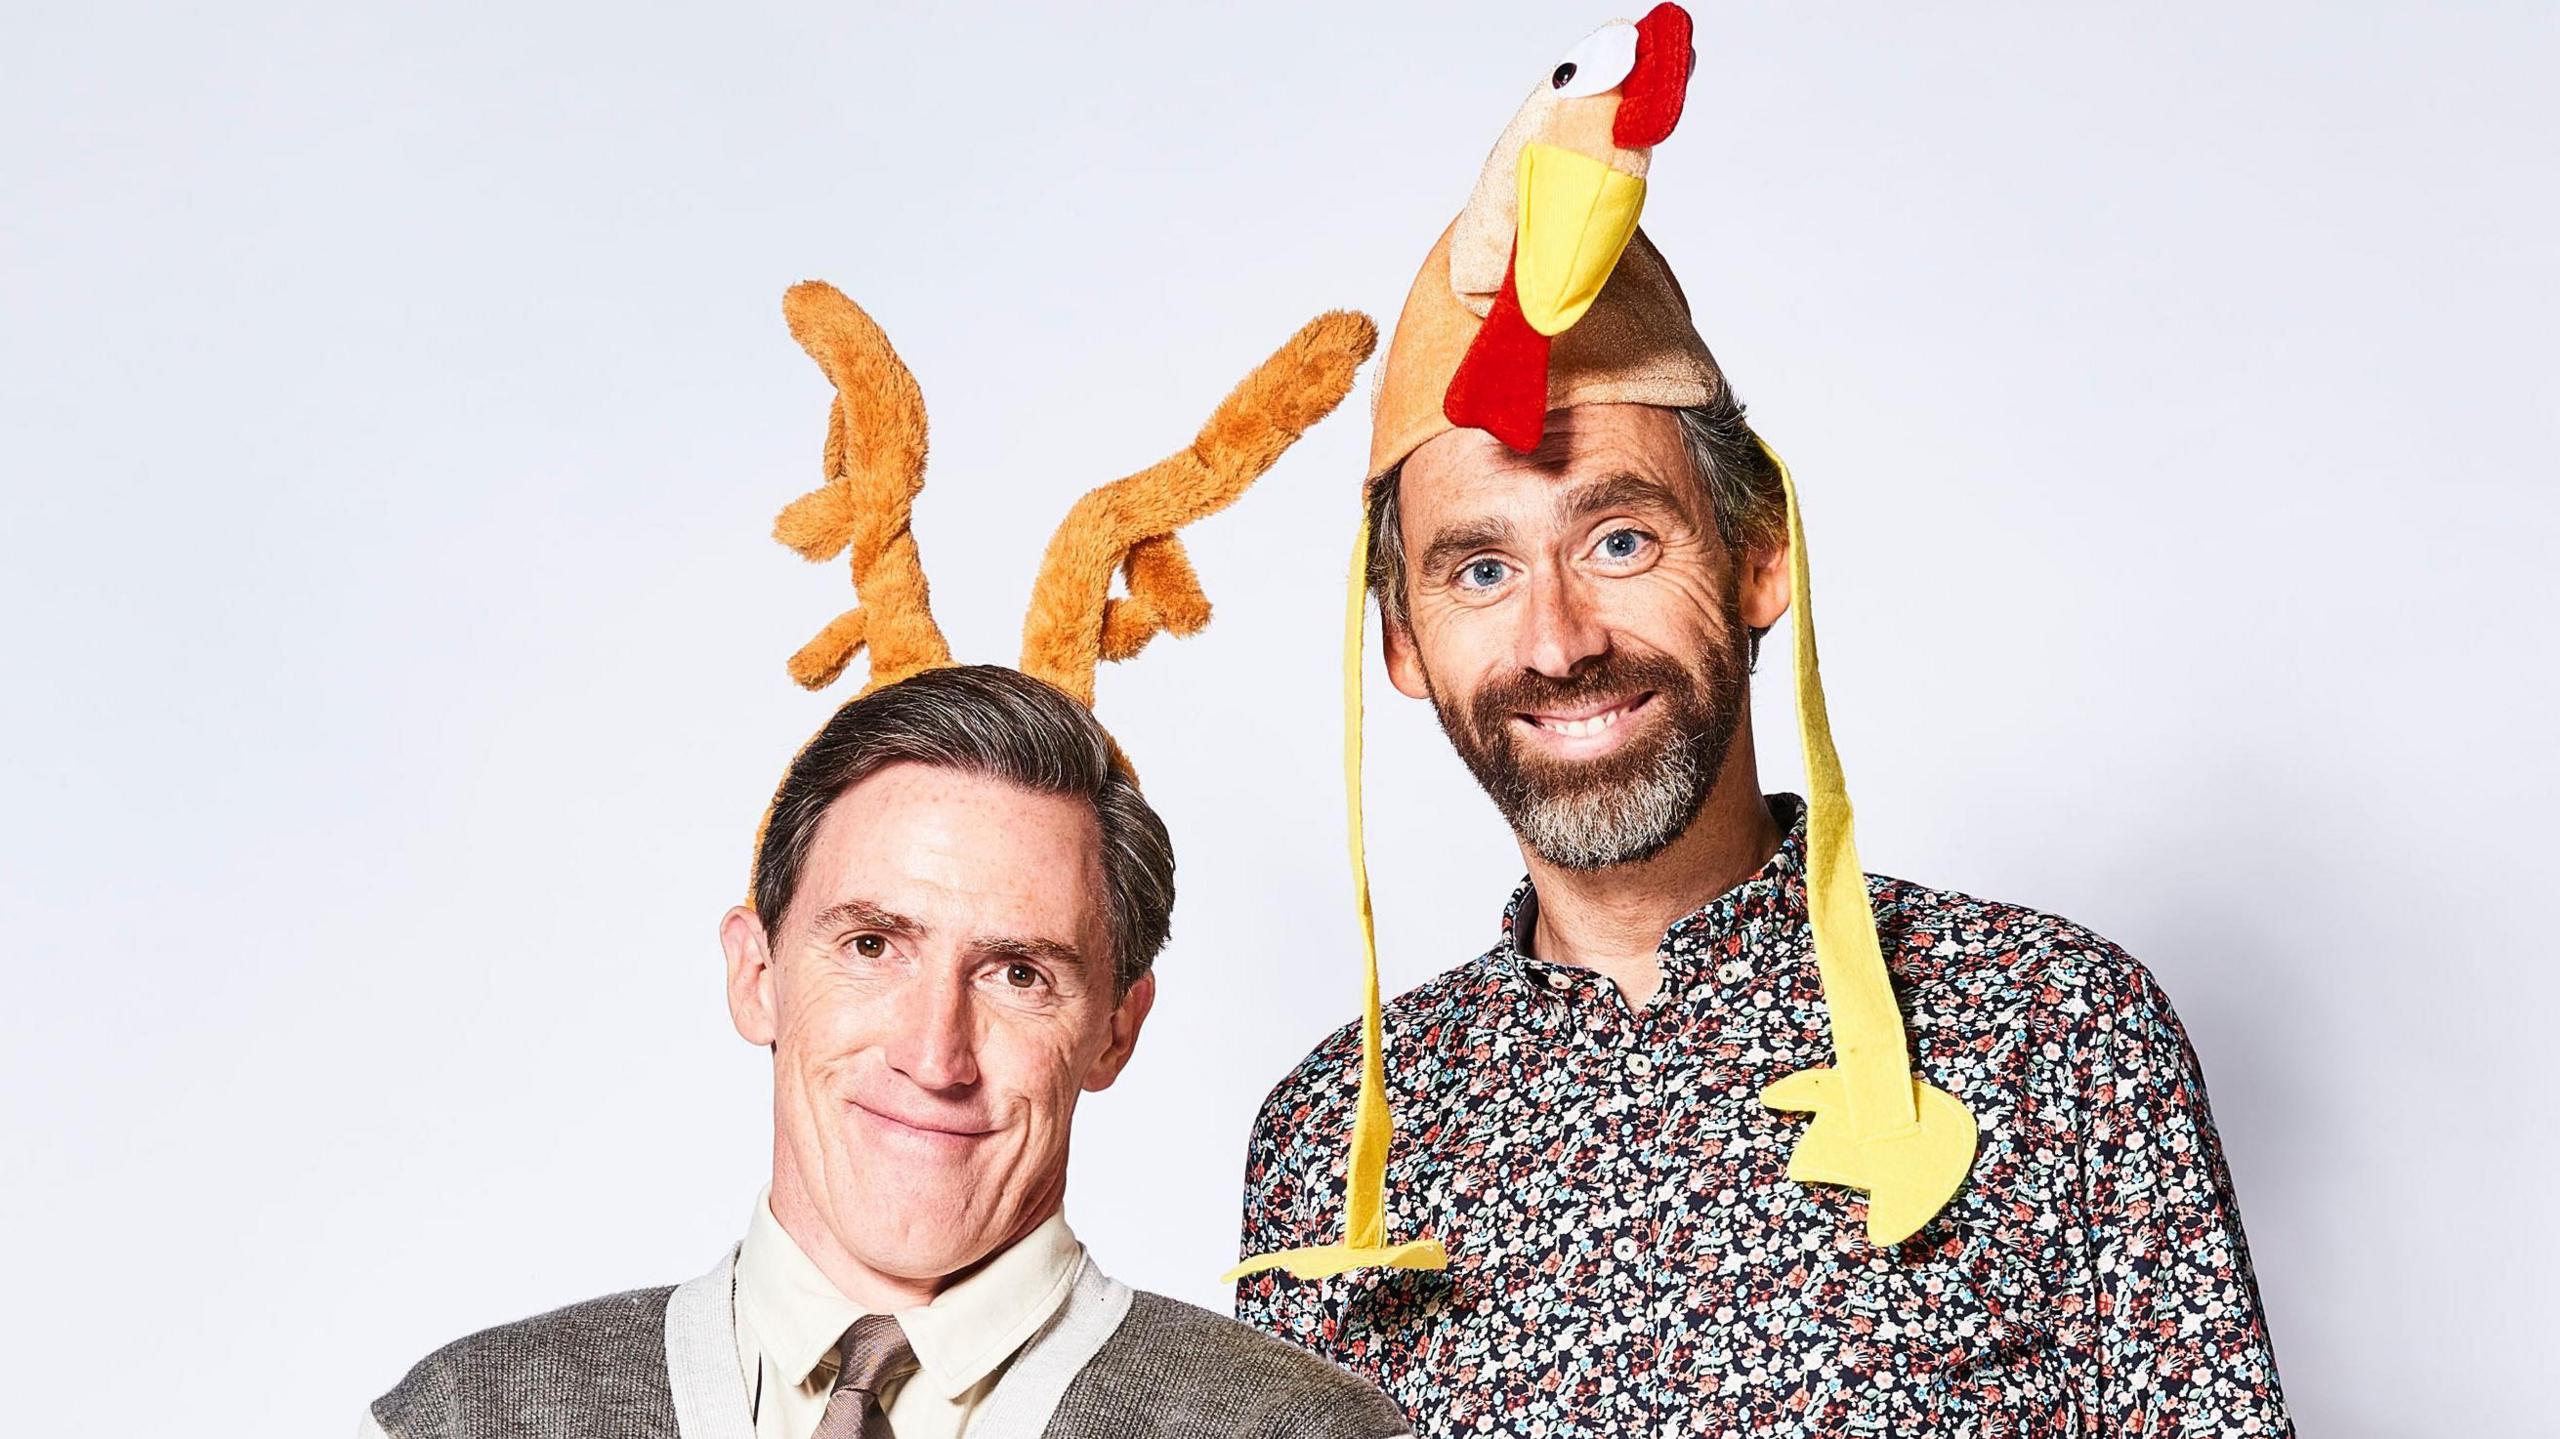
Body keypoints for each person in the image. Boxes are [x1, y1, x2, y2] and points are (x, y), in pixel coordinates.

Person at [1231, 7, 2291, 1435]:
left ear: (1759, 556)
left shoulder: (2063, 1034)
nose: (1557, 638)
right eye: (1480, 568)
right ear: (1406, 646)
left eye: (1618, 539)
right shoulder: (1320, 1150)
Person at [366, 283, 1408, 1438]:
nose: (933, 1052)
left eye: (1019, 972)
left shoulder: (1295, 1432)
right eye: (871, 944)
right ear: (755, 970)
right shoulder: (472, 1419)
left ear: (1118, 1023)